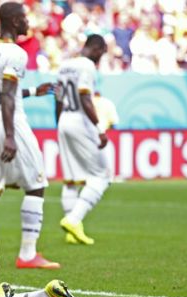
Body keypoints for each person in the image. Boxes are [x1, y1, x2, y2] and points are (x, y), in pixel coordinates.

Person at [0, 1, 59, 269]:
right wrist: (11, 136)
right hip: (9, 125)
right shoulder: (16, 53)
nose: (28, 22)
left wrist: (34, 92)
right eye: (24, 18)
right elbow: (6, 95)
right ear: (14, 21)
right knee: (36, 184)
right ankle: (27, 254)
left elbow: (4, 92)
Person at [55, 34, 110, 245]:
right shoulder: (87, 66)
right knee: (102, 175)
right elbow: (86, 98)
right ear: (96, 48)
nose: (100, 58)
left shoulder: (65, 65)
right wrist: (99, 128)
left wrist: (59, 124)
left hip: (64, 120)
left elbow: (58, 98)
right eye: (102, 54)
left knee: (71, 178)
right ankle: (74, 219)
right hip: (80, 119)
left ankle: (71, 233)